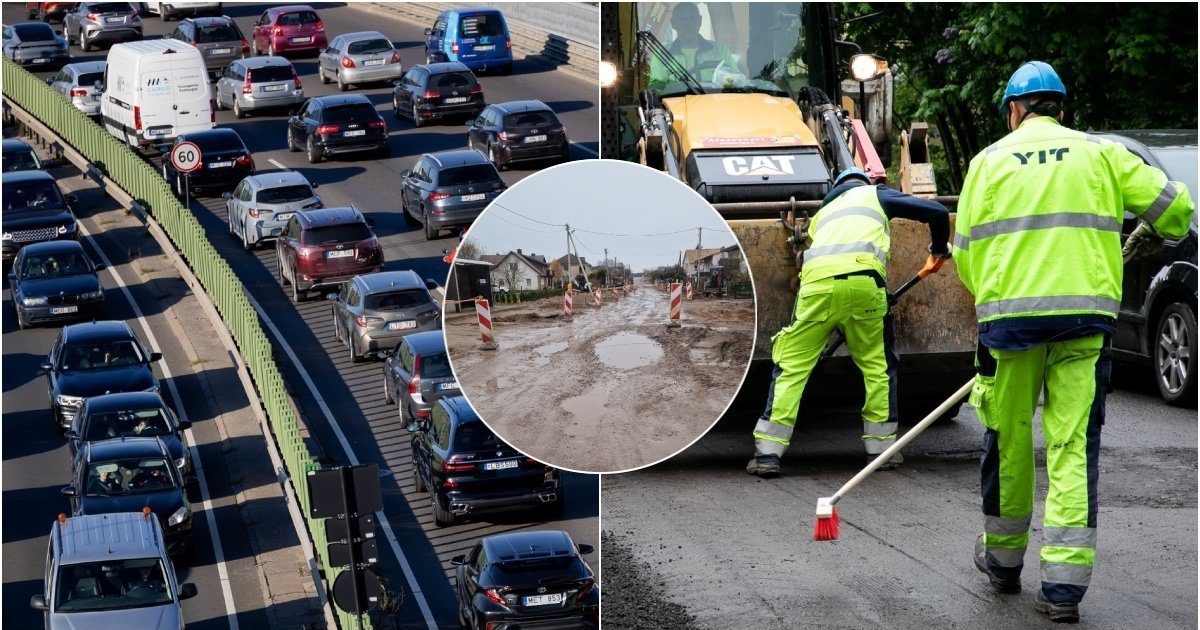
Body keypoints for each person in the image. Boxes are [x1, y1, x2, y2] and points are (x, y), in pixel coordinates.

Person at [955, 61, 1194, 624]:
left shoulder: (987, 163)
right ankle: (1062, 590)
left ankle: (1003, 564)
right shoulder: (1102, 154)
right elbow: (1178, 210)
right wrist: (1151, 230)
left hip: (1010, 328)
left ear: (1014, 111)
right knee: (1071, 448)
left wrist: (1000, 298)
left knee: (1008, 440)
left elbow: (965, 255)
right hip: (1084, 324)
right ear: (1061, 109)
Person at [747, 167, 951, 478]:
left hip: (815, 291)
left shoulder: (822, 215)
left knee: (791, 368)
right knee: (877, 368)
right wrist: (938, 250)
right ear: (864, 182)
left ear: (837, 187)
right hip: (864, 288)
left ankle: (767, 455)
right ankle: (880, 453)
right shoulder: (875, 194)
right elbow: (937, 212)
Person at [648, 2, 740, 90]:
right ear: (673, 23)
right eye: (681, 19)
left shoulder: (720, 51)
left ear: (700, 21)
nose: (688, 24)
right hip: (678, 101)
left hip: (715, 99)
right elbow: (656, 88)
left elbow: (736, 80)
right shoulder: (663, 55)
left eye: (692, 18)